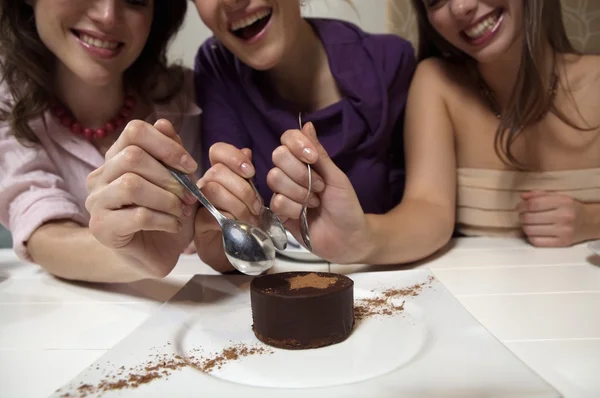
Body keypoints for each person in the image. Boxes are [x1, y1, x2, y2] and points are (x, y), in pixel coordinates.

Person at [255, 0, 600, 265]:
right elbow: (429, 209)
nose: (461, 7)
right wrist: (362, 239)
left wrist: (590, 221)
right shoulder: (437, 83)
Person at [188, 0, 416, 271]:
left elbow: (431, 211)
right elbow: (232, 238)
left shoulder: (390, 62)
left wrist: (361, 238)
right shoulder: (217, 66)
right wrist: (220, 240)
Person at [0, 0, 202, 282]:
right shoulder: (6, 104)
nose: (107, 16)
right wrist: (135, 255)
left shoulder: (195, 95)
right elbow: (43, 232)